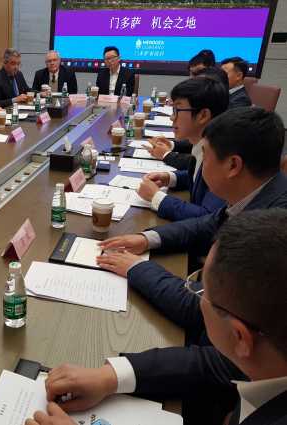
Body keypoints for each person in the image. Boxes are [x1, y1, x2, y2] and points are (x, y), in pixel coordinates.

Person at [27, 209, 287, 425]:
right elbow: (214, 364)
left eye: (202, 290)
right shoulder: (268, 356)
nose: (195, 293)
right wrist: (110, 377)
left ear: (240, 337)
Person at [95, 107, 286, 345]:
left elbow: (204, 311)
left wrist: (137, 268)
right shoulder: (264, 191)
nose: (198, 164)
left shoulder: (269, 232)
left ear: (233, 166)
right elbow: (209, 224)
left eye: (204, 156)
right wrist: (147, 239)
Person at [137, 77, 227, 221]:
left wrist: (156, 197)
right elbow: (199, 179)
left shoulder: (222, 158)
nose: (172, 117)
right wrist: (170, 178)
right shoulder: (203, 144)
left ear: (203, 115)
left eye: (177, 110)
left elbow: (209, 219)